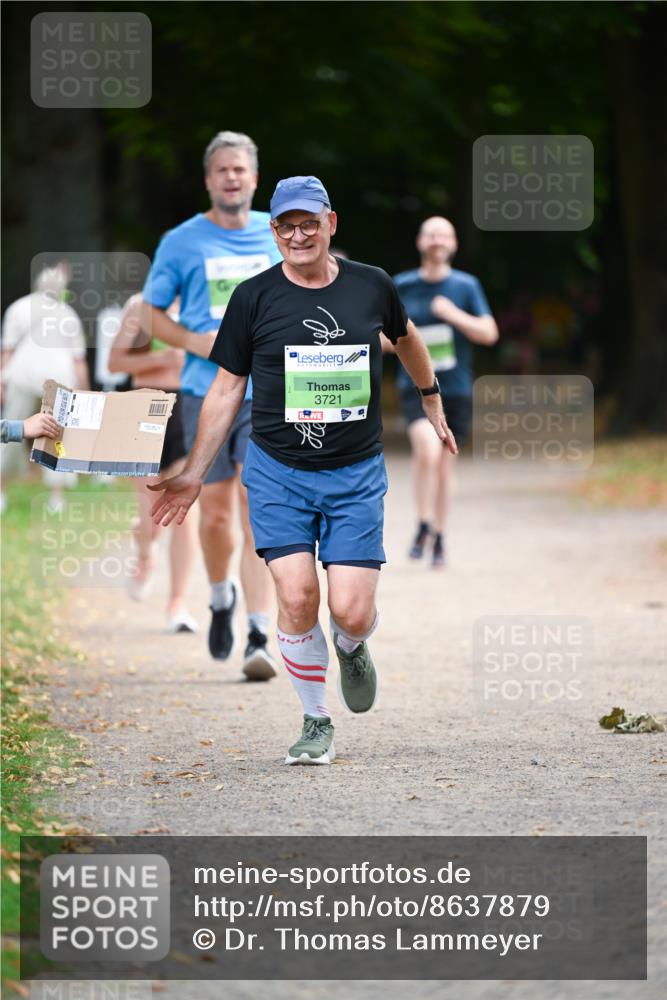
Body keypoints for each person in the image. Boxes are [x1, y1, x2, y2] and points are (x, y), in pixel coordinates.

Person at [149, 176, 457, 765]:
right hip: (277, 471)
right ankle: (316, 720)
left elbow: (408, 338)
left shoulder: (371, 284)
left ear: (330, 224)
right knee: (295, 596)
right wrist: (193, 472)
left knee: (351, 610)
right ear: (274, 232)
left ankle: (351, 645)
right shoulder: (253, 297)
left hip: (354, 473)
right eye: (286, 226)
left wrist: (430, 397)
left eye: (308, 223)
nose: (298, 235)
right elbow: (226, 390)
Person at [140, 131, 282, 680]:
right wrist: (194, 342)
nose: (231, 178)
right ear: (208, 180)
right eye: (222, 170)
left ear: (254, 178)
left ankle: (259, 634)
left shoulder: (278, 233)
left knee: (255, 506)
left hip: (268, 393)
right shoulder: (181, 241)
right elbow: (151, 314)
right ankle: (221, 596)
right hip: (206, 392)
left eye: (240, 169)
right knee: (216, 513)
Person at [390, 217, 498, 568]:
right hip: (415, 386)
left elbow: (489, 333)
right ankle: (423, 522)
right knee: (427, 450)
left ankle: (438, 534)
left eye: (444, 235)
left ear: (453, 244)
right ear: (420, 241)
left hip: (456, 389)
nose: (437, 240)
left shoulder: (466, 286)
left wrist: (452, 315)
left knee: (444, 465)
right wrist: (411, 342)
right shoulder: (401, 285)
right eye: (431, 234)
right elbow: (377, 338)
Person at [108, 294, 198, 633]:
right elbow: (115, 363)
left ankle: (177, 603)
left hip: (188, 407)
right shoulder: (139, 305)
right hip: (143, 408)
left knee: (183, 513)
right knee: (150, 511)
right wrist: (162, 358)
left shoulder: (201, 302)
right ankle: (145, 553)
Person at [1, 263, 89, 512]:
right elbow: (78, 360)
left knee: (8, 432)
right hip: (59, 380)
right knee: (56, 437)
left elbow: (7, 351)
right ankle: (56, 497)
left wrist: (2, 381)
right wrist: (85, 390)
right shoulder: (68, 313)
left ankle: (1, 491)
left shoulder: (19, 307)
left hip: (22, 375)